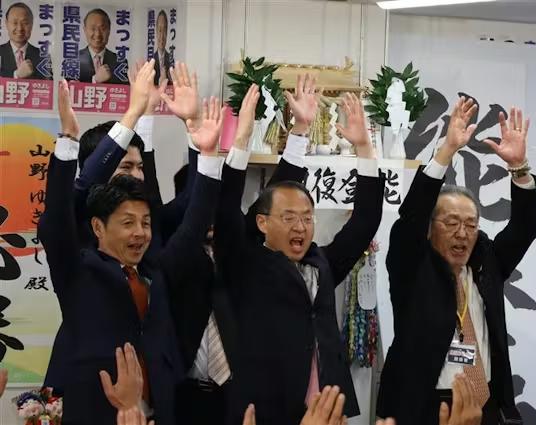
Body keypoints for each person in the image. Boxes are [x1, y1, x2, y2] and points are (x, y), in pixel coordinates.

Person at [38, 59, 227, 425]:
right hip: (94, 400)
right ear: (98, 227)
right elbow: (63, 206)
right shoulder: (78, 254)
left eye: (145, 223)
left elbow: (192, 219)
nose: (139, 232)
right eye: (127, 224)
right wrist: (128, 116)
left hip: (158, 401)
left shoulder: (154, 263)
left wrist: (204, 149)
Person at [214, 89, 384, 425]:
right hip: (267, 408)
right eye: (289, 217)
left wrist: (365, 149)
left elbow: (365, 221)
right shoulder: (244, 263)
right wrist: (242, 138)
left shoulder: (321, 263)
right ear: (262, 223)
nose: (300, 227)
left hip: (328, 406)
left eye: (307, 218)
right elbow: (226, 211)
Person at [376, 99, 536, 425]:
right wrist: (446, 150)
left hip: (486, 404)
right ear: (430, 228)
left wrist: (519, 167)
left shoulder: (486, 263)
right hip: (425, 407)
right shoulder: (412, 266)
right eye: (451, 223)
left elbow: (525, 229)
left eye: (470, 224)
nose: (462, 234)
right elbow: (410, 221)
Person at [170, 76, 316, 424]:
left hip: (244, 397)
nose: (210, 214)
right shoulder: (171, 250)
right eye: (202, 205)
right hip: (185, 396)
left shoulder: (243, 245)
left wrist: (298, 131)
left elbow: (277, 195)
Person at [0, 2, 52, 79]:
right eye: (15, 23)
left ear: (31, 25)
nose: (20, 28)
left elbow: (49, 84)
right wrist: (16, 75)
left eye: (25, 23)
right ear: (6, 24)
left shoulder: (43, 56)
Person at [79, 8, 129, 84]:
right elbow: (68, 88)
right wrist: (95, 80)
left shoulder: (120, 62)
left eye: (102, 29)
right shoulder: (74, 60)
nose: (97, 34)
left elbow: (124, 89)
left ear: (109, 30)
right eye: (93, 28)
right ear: (85, 30)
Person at [153, 10, 172, 86]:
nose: (162, 36)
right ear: (156, 32)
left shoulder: (172, 61)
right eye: (160, 30)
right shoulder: (150, 62)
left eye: (164, 31)